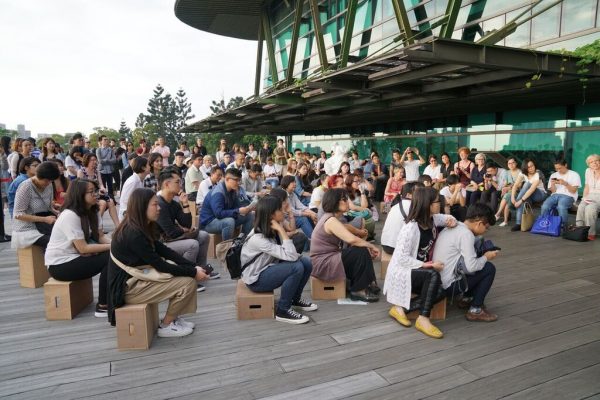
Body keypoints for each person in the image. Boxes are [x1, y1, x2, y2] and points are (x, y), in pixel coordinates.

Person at [107, 188, 209, 337]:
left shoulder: (141, 226)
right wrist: (193, 272)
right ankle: (166, 325)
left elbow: (164, 250)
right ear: (142, 207)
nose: (159, 208)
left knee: (185, 277)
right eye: (155, 204)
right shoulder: (133, 234)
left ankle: (173, 319)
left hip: (138, 278)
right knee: (187, 283)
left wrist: (193, 266)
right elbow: (160, 265)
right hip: (127, 289)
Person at [384, 187, 456, 338]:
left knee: (445, 288)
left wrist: (451, 221)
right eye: (437, 201)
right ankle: (423, 319)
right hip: (403, 270)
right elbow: (401, 259)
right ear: (427, 204)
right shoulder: (410, 228)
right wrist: (427, 265)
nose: (440, 204)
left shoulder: (432, 219)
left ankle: (401, 309)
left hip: (418, 270)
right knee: (432, 275)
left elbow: (447, 218)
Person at [241, 195, 316, 324]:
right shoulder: (258, 238)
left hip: (267, 267)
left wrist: (281, 228)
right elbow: (291, 256)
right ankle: (283, 310)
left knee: (306, 263)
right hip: (256, 279)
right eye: (280, 210)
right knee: (296, 267)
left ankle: (295, 299)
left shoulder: (270, 229)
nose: (284, 212)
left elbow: (288, 254)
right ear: (271, 215)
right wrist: (281, 230)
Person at [45, 179, 112, 317]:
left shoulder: (93, 210)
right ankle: (103, 305)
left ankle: (115, 296)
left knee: (115, 253)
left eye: (95, 190)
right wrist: (114, 246)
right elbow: (83, 248)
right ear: (79, 194)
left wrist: (115, 244)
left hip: (77, 256)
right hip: (60, 265)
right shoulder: (70, 215)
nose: (96, 194)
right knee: (110, 258)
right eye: (91, 192)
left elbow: (100, 237)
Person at [311, 188, 381, 302]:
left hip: (328, 258)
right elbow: (351, 239)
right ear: (335, 202)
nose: (348, 202)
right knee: (360, 250)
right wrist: (371, 245)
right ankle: (358, 290)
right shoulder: (330, 220)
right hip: (323, 263)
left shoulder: (333, 218)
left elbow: (348, 237)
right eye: (344, 199)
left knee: (359, 249)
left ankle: (367, 282)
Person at [433, 203, 499, 322]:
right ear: (479, 223)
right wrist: (486, 257)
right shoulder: (466, 234)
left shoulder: (454, 226)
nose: (485, 231)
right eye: (486, 227)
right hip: (447, 286)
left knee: (479, 261)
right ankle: (475, 310)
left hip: (438, 280)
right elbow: (472, 267)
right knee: (489, 268)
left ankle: (467, 299)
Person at [156, 170, 218, 287]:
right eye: (177, 182)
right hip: (161, 243)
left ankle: (201, 269)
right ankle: (188, 279)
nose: (181, 185)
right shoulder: (160, 204)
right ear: (167, 184)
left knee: (203, 235)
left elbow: (187, 224)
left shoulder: (173, 203)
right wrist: (184, 230)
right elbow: (171, 232)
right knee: (192, 244)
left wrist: (185, 204)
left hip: (171, 239)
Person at [12, 161, 61, 250]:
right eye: (46, 180)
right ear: (38, 176)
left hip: (44, 225)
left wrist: (58, 211)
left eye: (51, 181)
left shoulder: (49, 185)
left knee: (66, 236)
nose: (49, 183)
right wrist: (44, 219)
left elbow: (48, 207)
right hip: (28, 229)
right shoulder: (26, 186)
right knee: (54, 241)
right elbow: (17, 214)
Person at [199, 167, 254, 240]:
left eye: (239, 180)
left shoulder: (233, 189)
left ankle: (243, 242)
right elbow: (218, 213)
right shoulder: (218, 193)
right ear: (227, 179)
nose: (238, 183)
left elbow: (236, 206)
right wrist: (239, 211)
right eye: (236, 180)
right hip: (208, 223)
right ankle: (227, 249)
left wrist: (248, 208)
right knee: (229, 221)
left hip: (223, 218)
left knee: (250, 215)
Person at [77, 153, 119, 227]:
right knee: (103, 203)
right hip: (86, 195)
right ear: (87, 161)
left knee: (111, 201)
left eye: (95, 160)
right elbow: (80, 188)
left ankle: (117, 225)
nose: (94, 162)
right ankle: (96, 225)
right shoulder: (81, 171)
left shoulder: (97, 171)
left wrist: (103, 189)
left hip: (96, 194)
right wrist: (96, 191)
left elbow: (101, 184)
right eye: (92, 160)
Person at [541, 159, 581, 228]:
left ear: (565, 165)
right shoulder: (554, 175)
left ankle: (563, 226)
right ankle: (544, 224)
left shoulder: (574, 174)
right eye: (556, 169)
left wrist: (565, 183)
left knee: (561, 206)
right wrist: (553, 184)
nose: (558, 170)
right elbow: (553, 191)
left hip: (568, 196)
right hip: (555, 195)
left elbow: (573, 191)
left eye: (560, 168)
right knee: (545, 206)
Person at [381, 182, 419, 254]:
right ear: (408, 195)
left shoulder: (397, 204)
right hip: (396, 247)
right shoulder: (412, 206)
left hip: (385, 243)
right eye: (418, 193)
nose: (421, 195)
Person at [511, 158, 547, 231]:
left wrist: (519, 200)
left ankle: (518, 222)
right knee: (523, 195)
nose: (531, 168)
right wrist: (512, 197)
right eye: (529, 167)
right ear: (525, 168)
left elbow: (531, 189)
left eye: (532, 166)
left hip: (540, 194)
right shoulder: (523, 173)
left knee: (527, 184)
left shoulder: (538, 173)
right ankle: (518, 224)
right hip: (529, 195)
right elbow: (515, 185)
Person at [270, 188, 309, 253]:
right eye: (285, 201)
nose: (287, 203)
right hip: (275, 250)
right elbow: (278, 238)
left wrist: (290, 213)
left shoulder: (280, 214)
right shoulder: (272, 216)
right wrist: (292, 233)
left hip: (282, 244)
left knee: (301, 236)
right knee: (301, 233)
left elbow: (291, 228)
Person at [280, 175, 317, 239]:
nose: (295, 184)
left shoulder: (293, 194)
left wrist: (312, 213)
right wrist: (309, 214)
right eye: (292, 182)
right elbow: (292, 211)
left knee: (311, 215)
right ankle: (314, 238)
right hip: (285, 218)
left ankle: (316, 235)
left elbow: (301, 206)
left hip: (292, 215)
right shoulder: (283, 194)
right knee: (303, 219)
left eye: (295, 182)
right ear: (286, 183)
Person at [576, 154, 600, 240]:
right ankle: (580, 229)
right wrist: (584, 198)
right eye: (591, 162)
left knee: (590, 208)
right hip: (590, 195)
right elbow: (587, 186)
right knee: (581, 206)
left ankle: (591, 233)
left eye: (596, 161)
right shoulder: (588, 171)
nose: (595, 163)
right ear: (588, 164)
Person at [119, 156, 150, 221]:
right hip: (128, 216)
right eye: (148, 165)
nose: (150, 167)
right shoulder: (133, 181)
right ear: (143, 168)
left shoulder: (141, 179)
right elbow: (125, 202)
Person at [345, 174, 375, 240]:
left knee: (371, 220)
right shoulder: (346, 192)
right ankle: (363, 236)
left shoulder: (358, 191)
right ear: (350, 182)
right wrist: (366, 209)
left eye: (359, 181)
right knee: (368, 217)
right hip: (350, 212)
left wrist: (362, 193)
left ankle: (368, 236)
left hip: (360, 211)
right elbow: (352, 207)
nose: (358, 183)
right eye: (356, 181)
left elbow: (364, 205)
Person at [494, 157, 522, 226]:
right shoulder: (507, 172)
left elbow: (519, 185)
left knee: (507, 196)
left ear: (516, 163)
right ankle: (505, 221)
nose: (511, 165)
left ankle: (498, 214)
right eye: (509, 163)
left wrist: (509, 187)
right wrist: (504, 188)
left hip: (518, 192)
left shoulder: (520, 172)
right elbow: (505, 183)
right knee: (507, 201)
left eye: (513, 163)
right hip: (509, 192)